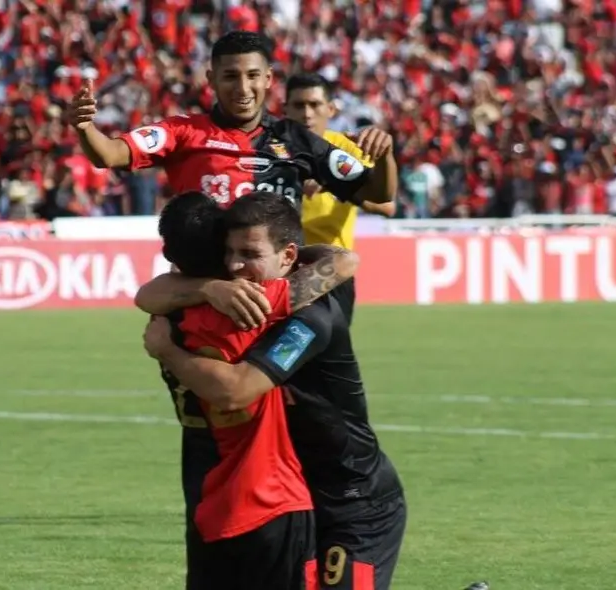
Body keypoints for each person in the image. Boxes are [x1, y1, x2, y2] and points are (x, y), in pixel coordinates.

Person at [142, 191, 406, 590]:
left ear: (288, 257)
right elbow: (149, 292)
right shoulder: (234, 302)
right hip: (294, 489)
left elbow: (238, 389)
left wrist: (168, 350)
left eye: (249, 254)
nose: (234, 266)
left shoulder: (311, 314)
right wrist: (211, 287)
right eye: (228, 252)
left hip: (352, 495)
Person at [67, 31, 397, 211]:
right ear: (210, 78)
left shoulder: (296, 138)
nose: (243, 88)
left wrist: (385, 157)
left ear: (268, 79)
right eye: (230, 76)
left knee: (336, 269)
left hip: (276, 296)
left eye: (253, 76)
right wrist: (85, 127)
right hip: (206, 286)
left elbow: (379, 194)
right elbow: (109, 154)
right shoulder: (183, 131)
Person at [284, 73, 396, 322]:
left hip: (331, 272)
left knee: (331, 357)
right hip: (281, 272)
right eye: (299, 105)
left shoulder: (344, 150)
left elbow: (387, 205)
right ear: (285, 110)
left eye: (314, 105)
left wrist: (335, 183)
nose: (307, 113)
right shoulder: (272, 150)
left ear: (331, 109)